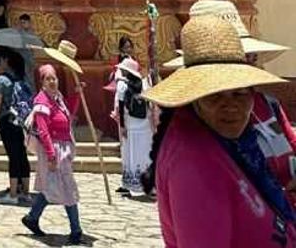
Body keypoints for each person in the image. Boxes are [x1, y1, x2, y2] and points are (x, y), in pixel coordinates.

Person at [144, 14, 296, 245]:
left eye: (239, 94)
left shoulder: (232, 141)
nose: (230, 106)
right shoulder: (193, 161)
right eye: (214, 96)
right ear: (195, 97)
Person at [21, 65, 84, 245]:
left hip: (63, 148)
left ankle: (32, 217)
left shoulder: (57, 98)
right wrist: (51, 155)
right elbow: (43, 131)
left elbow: (68, 113)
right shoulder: (41, 102)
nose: (52, 81)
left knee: (52, 187)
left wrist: (77, 95)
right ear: (42, 82)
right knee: (67, 187)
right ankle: (76, 230)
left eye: (54, 78)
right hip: (53, 149)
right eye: (48, 78)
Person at [0, 51, 31, 205]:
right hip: (20, 121)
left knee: (12, 156)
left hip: (7, 120)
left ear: (6, 61)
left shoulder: (2, 80)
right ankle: (25, 191)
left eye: (1, 59)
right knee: (21, 154)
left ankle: (13, 194)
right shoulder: (21, 79)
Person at [114, 57, 155, 198]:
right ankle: (149, 185)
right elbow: (150, 106)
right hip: (145, 126)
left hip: (130, 126)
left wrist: (122, 126)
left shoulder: (122, 86)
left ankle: (130, 185)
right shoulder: (144, 85)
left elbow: (120, 108)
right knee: (145, 155)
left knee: (130, 154)